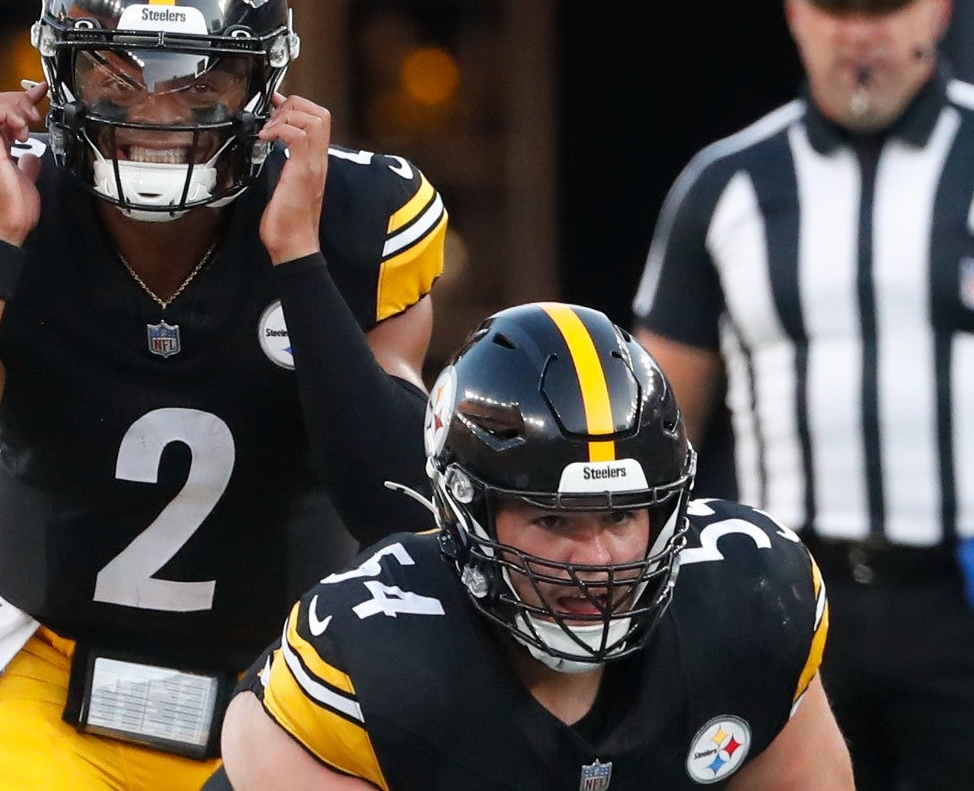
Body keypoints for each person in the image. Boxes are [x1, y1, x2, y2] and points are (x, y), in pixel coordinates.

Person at [0, 0, 447, 790]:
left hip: (302, 694)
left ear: (266, 89)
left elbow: (403, 509)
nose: (158, 120)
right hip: (48, 680)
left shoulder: (357, 220)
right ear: (58, 78)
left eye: (200, 82)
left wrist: (301, 263)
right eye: (118, 80)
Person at [217, 303, 852, 790]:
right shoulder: (375, 659)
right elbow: (254, 734)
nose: (597, 560)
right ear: (466, 509)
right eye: (553, 521)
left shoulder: (752, 599)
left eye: (622, 515)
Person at [633, 0, 974, 788]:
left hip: (964, 587)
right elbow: (655, 424)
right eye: (836, 5)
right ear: (795, 13)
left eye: (885, 4)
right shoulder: (725, 186)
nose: (859, 32)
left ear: (936, 7)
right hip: (787, 592)